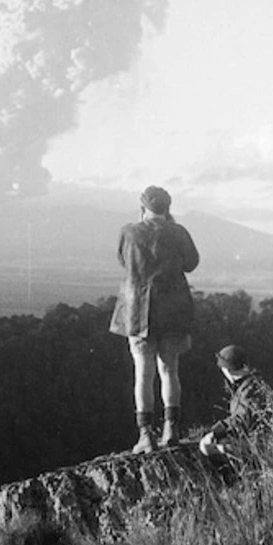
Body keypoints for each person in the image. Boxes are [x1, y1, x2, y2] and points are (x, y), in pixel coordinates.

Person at [110, 185, 200, 453]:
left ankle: (145, 436)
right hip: (173, 311)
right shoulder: (179, 232)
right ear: (168, 208)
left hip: (137, 312)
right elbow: (191, 263)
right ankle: (171, 428)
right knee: (169, 370)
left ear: (142, 209)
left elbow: (123, 261)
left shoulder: (129, 232)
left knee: (143, 372)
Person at [199, 345, 273, 466]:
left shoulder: (249, 388)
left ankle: (229, 480)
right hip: (257, 440)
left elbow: (244, 419)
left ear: (228, 369)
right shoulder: (250, 383)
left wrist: (216, 431)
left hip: (259, 444)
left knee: (206, 446)